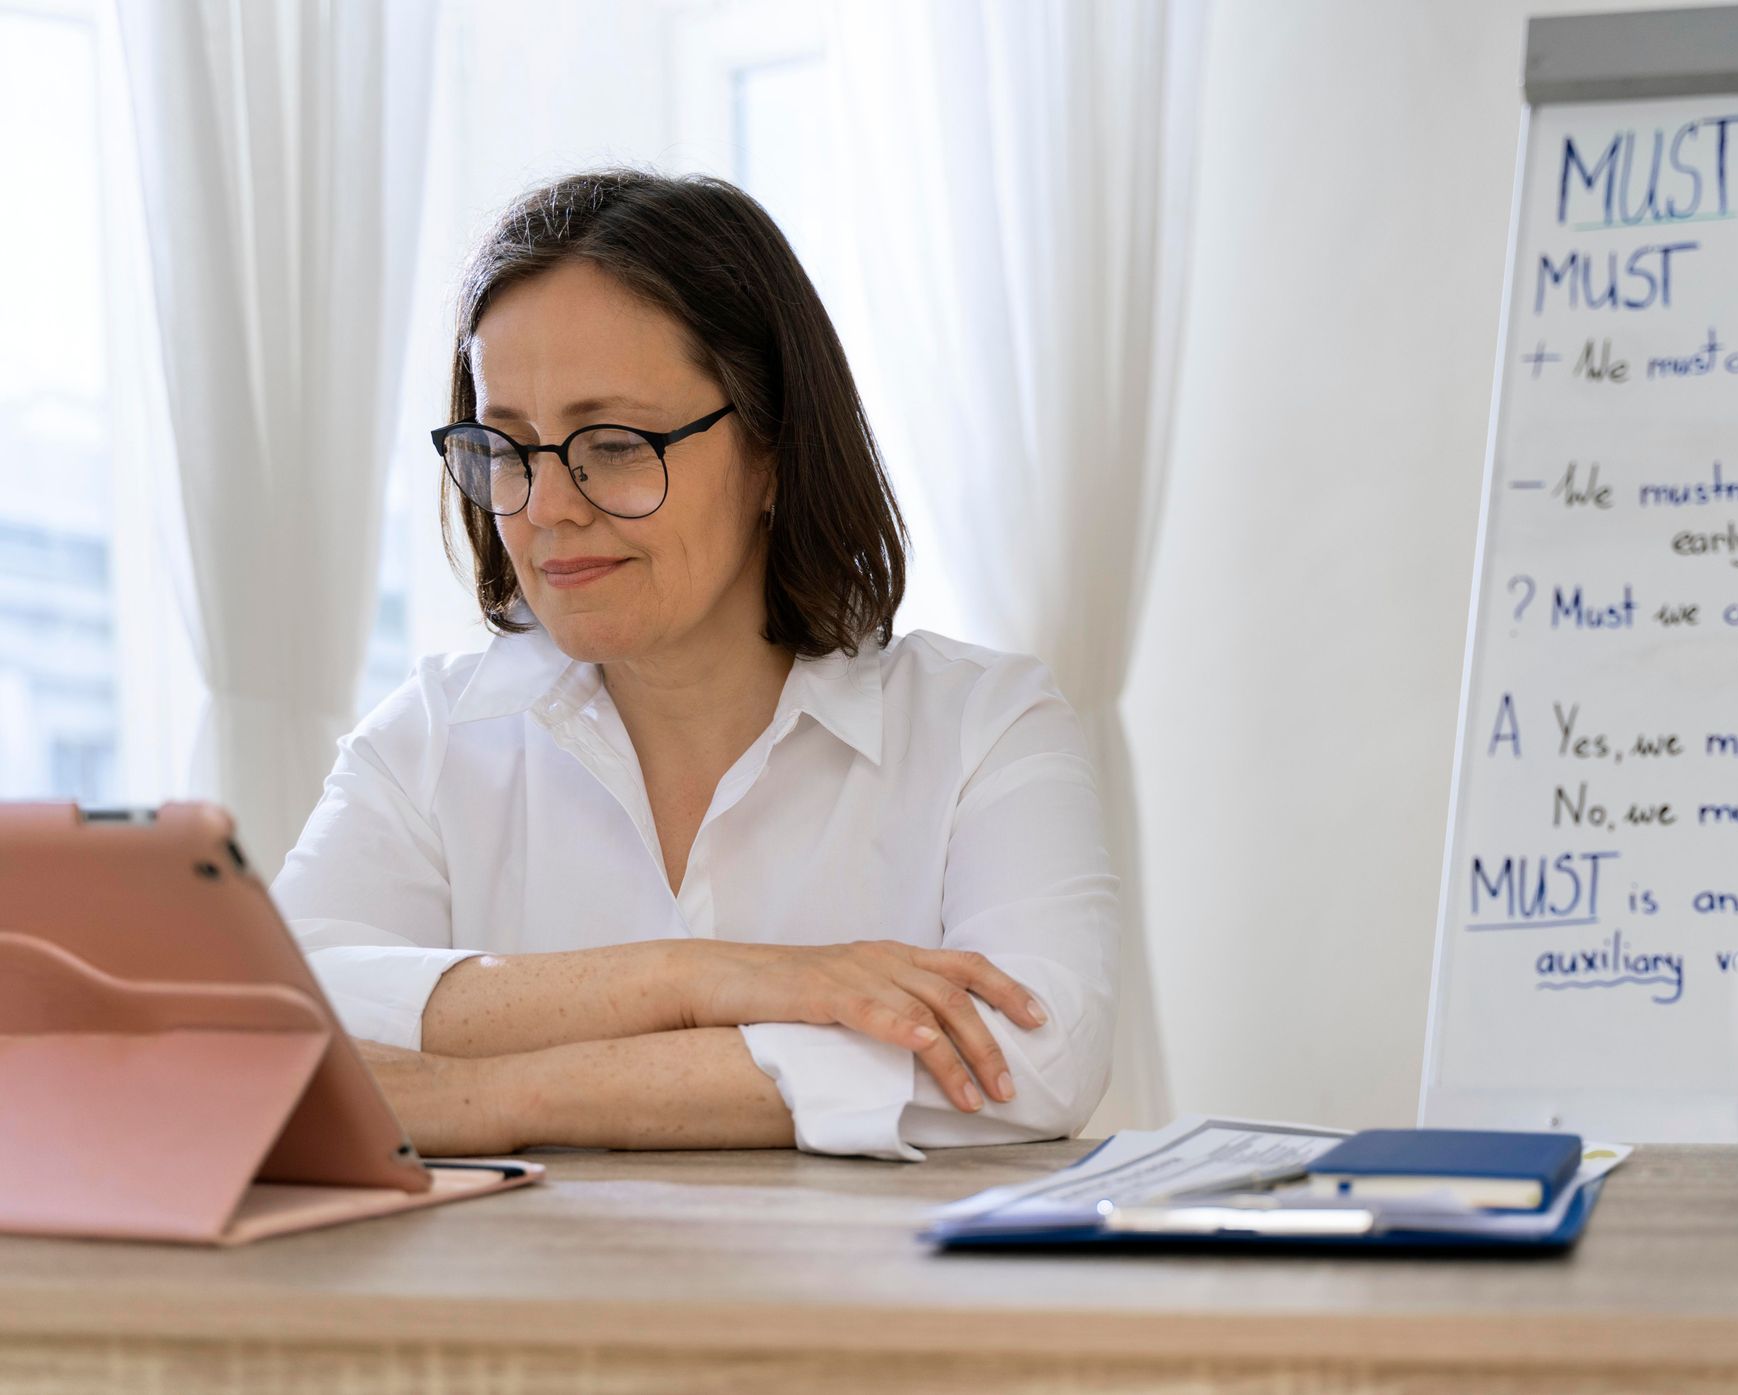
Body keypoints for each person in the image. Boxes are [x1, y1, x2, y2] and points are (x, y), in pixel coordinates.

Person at [270, 169, 1117, 1162]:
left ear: (773, 448)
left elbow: (1034, 1056)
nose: (545, 507)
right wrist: (698, 980)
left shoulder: (983, 727)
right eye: (506, 445)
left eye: (615, 443)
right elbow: (277, 1014)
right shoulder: (427, 740)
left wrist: (485, 1097)